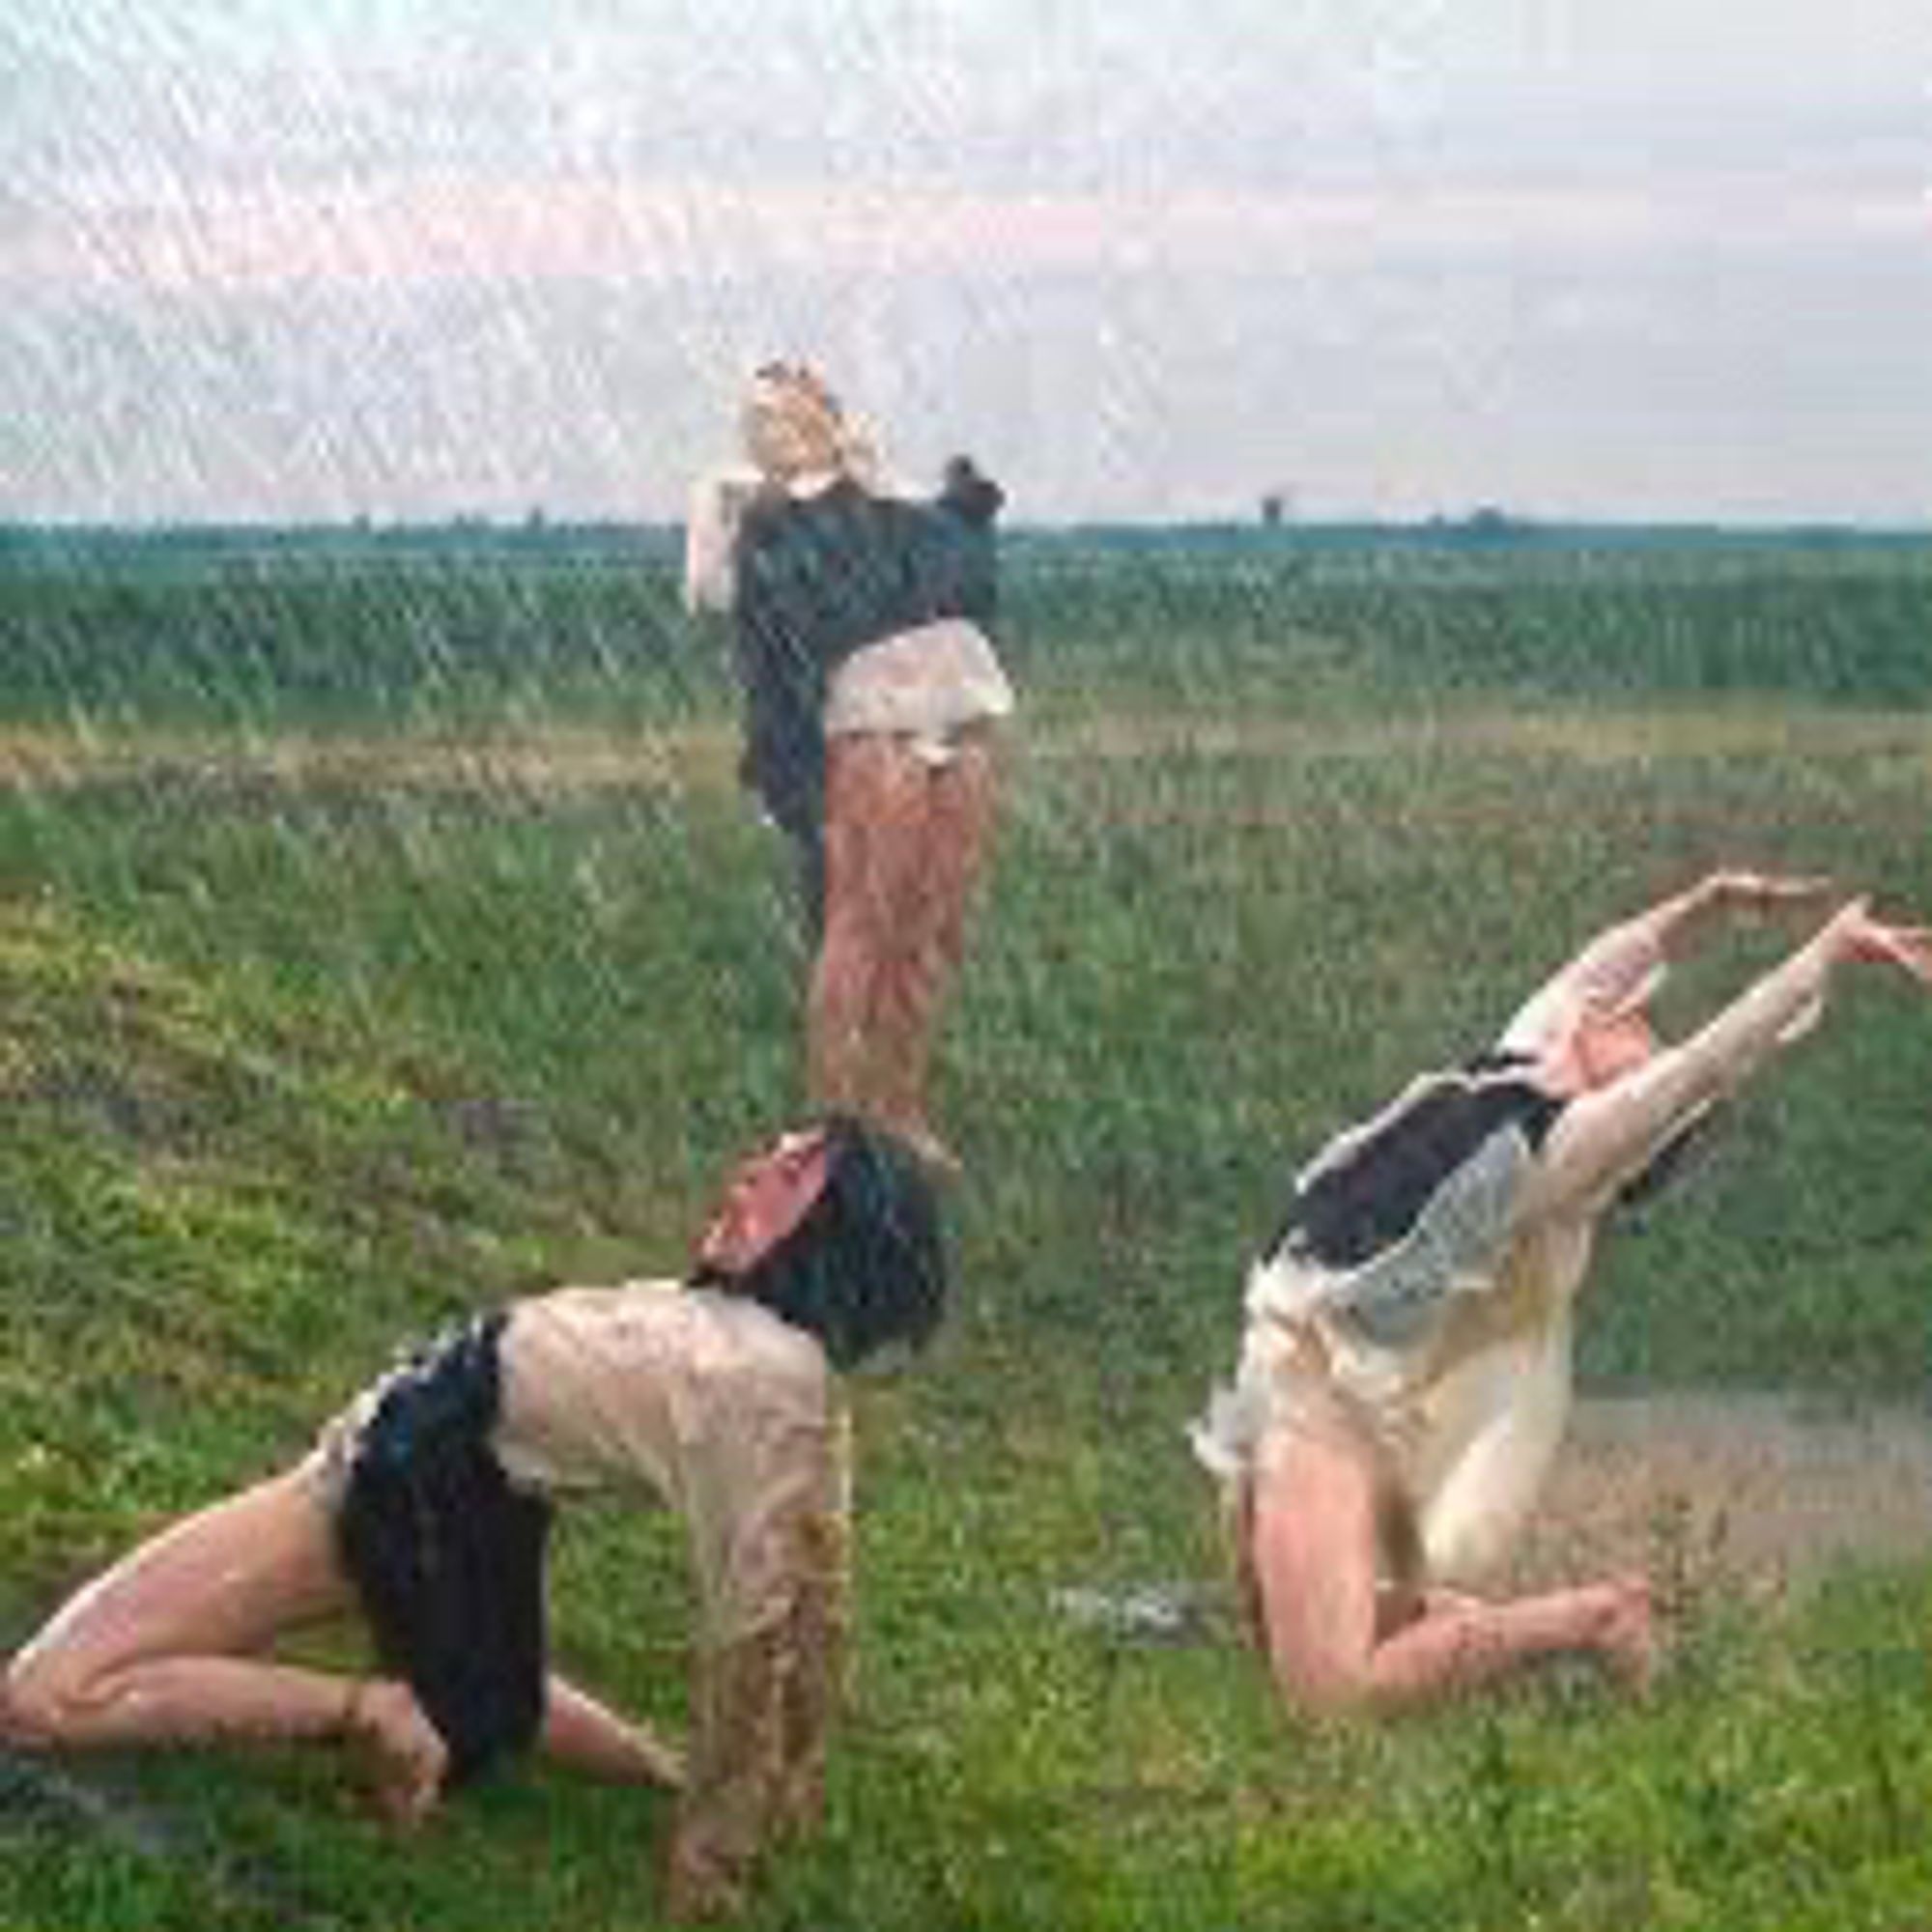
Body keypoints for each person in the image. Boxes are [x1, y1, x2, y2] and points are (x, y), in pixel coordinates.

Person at [2, 1115, 946, 1920]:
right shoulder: (789, 1372)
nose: (749, 1169)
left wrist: (713, 1856)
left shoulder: (763, 1376)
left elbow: (758, 1626)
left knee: (44, 1698)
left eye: (788, 1175)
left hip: (396, 1479)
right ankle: (570, 1741)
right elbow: (813, 1596)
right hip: (471, 1500)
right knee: (494, 1690)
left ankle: (379, 1710)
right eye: (768, 1152)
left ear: (832, 1234)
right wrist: (780, 1783)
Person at [1190, 873, 1932, 1717]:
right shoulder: (1533, 1059)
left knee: (1333, 1699)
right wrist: (1709, 907)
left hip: (1326, 1401)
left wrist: (1822, 958)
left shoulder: (1561, 1153)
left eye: (1644, 1043)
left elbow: (1701, 1067)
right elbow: (1600, 970)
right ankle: (1501, 1644)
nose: (1638, 1020)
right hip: (1283, 1366)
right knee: (1294, 1636)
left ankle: (1597, 1617)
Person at [688, 363, 1014, 1169]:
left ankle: (898, 1108)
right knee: (862, 922)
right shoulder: (770, 517)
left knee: (933, 929)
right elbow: (711, 587)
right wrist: (764, 487)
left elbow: (952, 548)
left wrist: (883, 483)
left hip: (963, 708)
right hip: (877, 725)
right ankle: (835, 1126)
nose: (795, 411)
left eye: (805, 397)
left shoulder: (880, 503)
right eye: (771, 409)